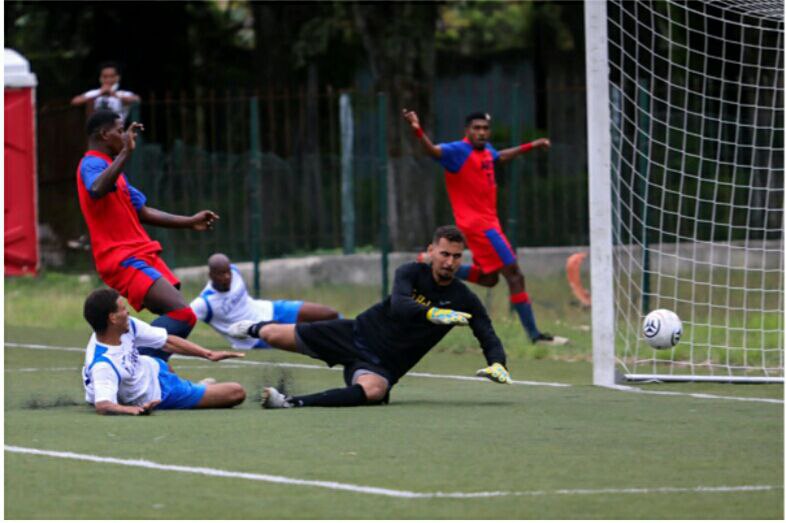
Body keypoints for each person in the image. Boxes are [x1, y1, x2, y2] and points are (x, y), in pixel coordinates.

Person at [228, 226, 511, 409]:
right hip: (354, 334)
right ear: (431, 251)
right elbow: (400, 305)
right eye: (445, 254)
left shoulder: (464, 299)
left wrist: (498, 363)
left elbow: (486, 332)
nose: (449, 262)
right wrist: (432, 314)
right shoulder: (410, 273)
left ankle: (290, 402)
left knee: (374, 392)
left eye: (457, 257)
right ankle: (252, 327)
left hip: (385, 364)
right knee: (271, 335)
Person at [402, 109, 568, 346]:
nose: (481, 132)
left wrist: (532, 145)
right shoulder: (457, 151)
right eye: (476, 128)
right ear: (467, 131)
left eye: (484, 128)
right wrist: (417, 129)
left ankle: (431, 261)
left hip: (488, 224)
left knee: (489, 279)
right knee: (515, 275)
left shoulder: (485, 151)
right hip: (481, 227)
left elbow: (499, 157)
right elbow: (432, 151)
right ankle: (535, 336)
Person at [76, 110, 219, 362]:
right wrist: (125, 153)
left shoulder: (114, 170)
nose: (124, 136)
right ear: (103, 134)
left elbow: (142, 211)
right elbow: (97, 188)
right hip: (120, 258)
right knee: (183, 314)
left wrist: (189, 221)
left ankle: (152, 369)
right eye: (120, 131)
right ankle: (130, 362)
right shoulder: (91, 163)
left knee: (175, 307)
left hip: (140, 252)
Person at [82, 288, 246, 415]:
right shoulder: (104, 364)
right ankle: (197, 390)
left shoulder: (128, 325)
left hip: (151, 367)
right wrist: (132, 410)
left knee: (165, 366)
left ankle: (198, 389)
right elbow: (103, 405)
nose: (128, 312)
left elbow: (166, 341)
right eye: (123, 309)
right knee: (236, 392)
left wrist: (208, 354)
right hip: (161, 393)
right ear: (112, 318)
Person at [190, 253, 340, 349]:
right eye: (221, 274)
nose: (227, 277)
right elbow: (182, 320)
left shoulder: (235, 271)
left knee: (328, 313)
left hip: (271, 309)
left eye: (227, 272)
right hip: (255, 337)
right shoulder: (204, 303)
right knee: (309, 338)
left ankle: (352, 335)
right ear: (211, 275)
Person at [71, 62, 141, 122]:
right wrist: (99, 94)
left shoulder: (123, 93)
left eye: (112, 76)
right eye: (105, 76)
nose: (108, 79)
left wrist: (114, 94)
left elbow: (137, 99)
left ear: (118, 77)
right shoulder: (94, 93)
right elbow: (75, 101)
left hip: (117, 130)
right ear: (100, 78)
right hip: (96, 130)